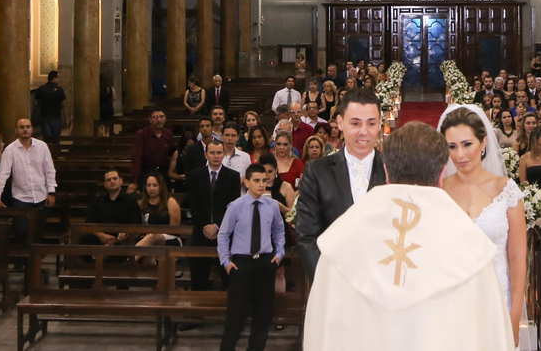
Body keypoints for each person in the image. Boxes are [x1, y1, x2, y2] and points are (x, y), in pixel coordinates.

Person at [303, 121, 513, 351]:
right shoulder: (471, 249)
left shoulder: (341, 243)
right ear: (443, 171)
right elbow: (492, 338)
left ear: (385, 170)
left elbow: (318, 334)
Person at [436, 104, 527, 342]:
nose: (460, 155)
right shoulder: (438, 192)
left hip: (497, 301)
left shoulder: (506, 190)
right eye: (452, 147)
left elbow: (517, 259)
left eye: (467, 144)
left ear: (483, 142)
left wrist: (514, 315)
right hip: (449, 303)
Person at [294, 87, 386, 280]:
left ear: (379, 124)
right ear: (340, 123)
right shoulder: (317, 171)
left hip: (384, 286)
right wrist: (327, 283)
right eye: (355, 123)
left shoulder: (394, 170)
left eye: (371, 123)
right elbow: (307, 235)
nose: (364, 131)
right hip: (333, 283)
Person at [218, 164, 286, 351]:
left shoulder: (272, 206)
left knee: (263, 315)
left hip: (265, 262)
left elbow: (279, 231)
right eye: (256, 180)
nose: (261, 184)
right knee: (236, 315)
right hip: (242, 264)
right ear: (247, 182)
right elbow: (223, 234)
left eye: (264, 180)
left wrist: (279, 254)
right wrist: (226, 262)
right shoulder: (236, 207)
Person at [187, 138, 242, 291]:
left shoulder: (232, 176)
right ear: (206, 155)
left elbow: (233, 205)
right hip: (201, 231)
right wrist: (207, 227)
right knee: (198, 276)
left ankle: (231, 312)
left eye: (219, 153)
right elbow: (193, 204)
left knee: (229, 277)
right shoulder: (195, 175)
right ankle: (196, 311)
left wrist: (217, 226)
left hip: (225, 232)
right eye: (212, 153)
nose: (216, 156)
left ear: (224, 154)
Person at [0, 118, 57, 244]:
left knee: (38, 233)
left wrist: (51, 192)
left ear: (32, 129)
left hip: (41, 196)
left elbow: (49, 171)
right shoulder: (10, 150)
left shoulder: (42, 147)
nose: (25, 129)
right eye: (22, 127)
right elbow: (3, 174)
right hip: (21, 197)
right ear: (16, 131)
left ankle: (35, 262)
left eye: (28, 126)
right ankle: (21, 262)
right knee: (21, 232)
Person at [81, 170, 142, 245]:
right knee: (85, 237)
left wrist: (125, 234)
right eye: (108, 180)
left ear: (121, 181)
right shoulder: (97, 201)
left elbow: (136, 223)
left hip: (122, 238)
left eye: (115, 178)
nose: (112, 181)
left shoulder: (131, 201)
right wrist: (101, 236)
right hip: (101, 238)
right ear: (105, 184)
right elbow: (89, 222)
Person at [128, 110, 177, 193]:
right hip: (147, 171)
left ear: (165, 119)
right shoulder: (141, 134)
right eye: (155, 117)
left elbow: (173, 154)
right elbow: (136, 157)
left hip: (163, 172)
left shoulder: (168, 134)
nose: (159, 120)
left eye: (161, 117)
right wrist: (134, 181)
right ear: (150, 119)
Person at [135, 172, 183, 252]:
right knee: (146, 256)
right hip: (146, 238)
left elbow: (174, 229)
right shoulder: (141, 204)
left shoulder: (170, 202)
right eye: (148, 185)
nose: (151, 188)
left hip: (170, 238)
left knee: (153, 236)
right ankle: (132, 260)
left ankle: (130, 259)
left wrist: (157, 234)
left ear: (161, 186)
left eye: (155, 185)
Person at [33, 71, 68, 142]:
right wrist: (66, 118)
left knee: (46, 139)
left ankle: (47, 152)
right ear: (54, 78)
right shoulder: (60, 90)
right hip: (56, 117)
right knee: (56, 139)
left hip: (44, 117)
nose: (59, 79)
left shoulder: (41, 89)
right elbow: (64, 105)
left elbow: (35, 103)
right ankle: (56, 152)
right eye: (58, 77)